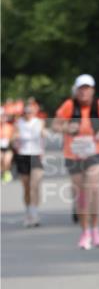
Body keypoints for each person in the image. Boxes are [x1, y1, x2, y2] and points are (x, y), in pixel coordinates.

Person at [53, 75, 99, 249]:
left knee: (93, 188)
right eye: (81, 88)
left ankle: (95, 229)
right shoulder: (69, 105)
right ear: (76, 90)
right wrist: (66, 128)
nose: (84, 91)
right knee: (81, 193)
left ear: (93, 90)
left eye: (87, 88)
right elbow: (55, 125)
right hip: (73, 154)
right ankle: (85, 232)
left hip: (95, 152)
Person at [12, 97, 45, 226]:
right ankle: (28, 212)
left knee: (34, 185)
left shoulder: (39, 122)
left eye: (30, 111)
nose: (28, 114)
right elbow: (13, 137)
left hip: (35, 155)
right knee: (26, 187)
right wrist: (16, 138)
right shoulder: (18, 123)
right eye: (26, 111)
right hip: (23, 156)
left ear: (34, 112)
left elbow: (43, 135)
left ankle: (34, 213)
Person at [1, 108, 15, 182]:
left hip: (8, 147)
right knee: (1, 159)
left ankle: (7, 172)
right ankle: (3, 173)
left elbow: (14, 136)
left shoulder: (10, 126)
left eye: (3, 117)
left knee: (6, 161)